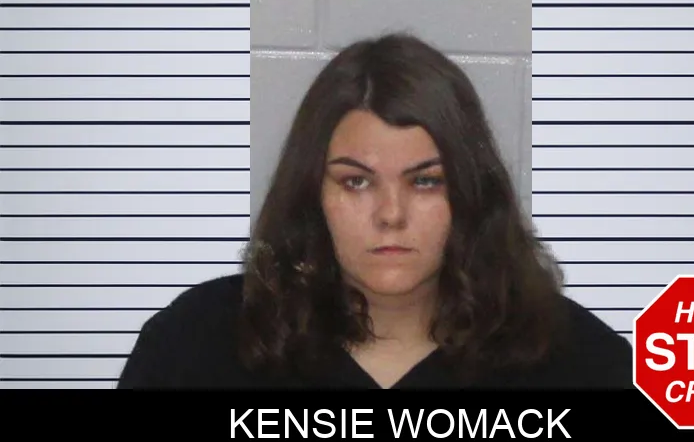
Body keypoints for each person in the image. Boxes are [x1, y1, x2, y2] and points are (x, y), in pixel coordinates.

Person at [117, 33, 632, 389]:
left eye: (425, 181)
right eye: (356, 181)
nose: (391, 214)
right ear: (311, 192)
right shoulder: (196, 346)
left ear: (472, 193)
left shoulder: (577, 362)